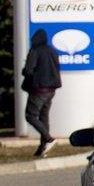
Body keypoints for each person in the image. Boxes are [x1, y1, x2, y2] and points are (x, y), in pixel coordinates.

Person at [22, 27, 63, 157]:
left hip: (38, 89)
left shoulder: (35, 51)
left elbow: (28, 70)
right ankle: (42, 148)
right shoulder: (52, 51)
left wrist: (25, 71)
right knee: (43, 117)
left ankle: (49, 138)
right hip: (51, 90)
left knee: (30, 115)